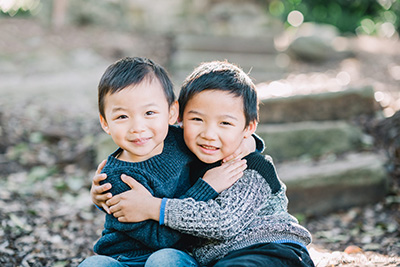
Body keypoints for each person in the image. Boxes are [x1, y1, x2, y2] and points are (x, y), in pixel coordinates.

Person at [107, 61, 315, 267]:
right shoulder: (181, 155)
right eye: (197, 119)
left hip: (271, 248)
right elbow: (142, 144)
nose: (208, 134)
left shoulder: (251, 167)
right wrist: (103, 191)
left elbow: (225, 222)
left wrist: (155, 207)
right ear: (178, 118)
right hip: (219, 260)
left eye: (225, 123)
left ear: (248, 127)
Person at [79, 57, 260, 267]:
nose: (137, 127)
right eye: (122, 117)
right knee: (93, 265)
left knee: (164, 259)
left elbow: (225, 135)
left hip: (172, 259)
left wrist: (249, 143)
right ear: (105, 123)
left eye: (149, 113)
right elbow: (162, 238)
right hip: (124, 259)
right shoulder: (115, 179)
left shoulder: (177, 139)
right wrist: (206, 188)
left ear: (172, 113)